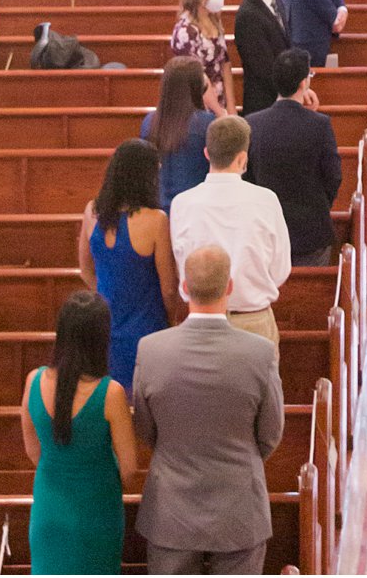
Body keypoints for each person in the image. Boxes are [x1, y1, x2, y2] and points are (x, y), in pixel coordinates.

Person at [132, 242, 285, 577]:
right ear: (229, 287)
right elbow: (271, 433)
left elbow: (145, 428)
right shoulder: (259, 353)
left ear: (185, 289)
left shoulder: (151, 350)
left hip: (171, 509)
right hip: (238, 505)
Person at [20, 288, 137, 575]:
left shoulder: (33, 380)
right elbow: (130, 468)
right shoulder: (110, 393)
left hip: (49, 508)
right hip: (96, 512)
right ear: (101, 338)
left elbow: (33, 449)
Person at [171, 113, 291, 345]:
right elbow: (280, 269)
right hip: (252, 321)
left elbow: (182, 265)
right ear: (243, 158)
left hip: (200, 321)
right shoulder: (265, 200)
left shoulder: (182, 203)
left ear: (207, 153)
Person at [79, 138, 177, 395]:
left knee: (111, 406)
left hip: (104, 326)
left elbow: (85, 269)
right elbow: (168, 288)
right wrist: (171, 319)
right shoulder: (156, 220)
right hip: (147, 328)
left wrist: (106, 293)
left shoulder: (92, 211)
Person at [246, 47, 343, 266]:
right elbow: (334, 176)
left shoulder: (252, 124)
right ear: (303, 83)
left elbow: (248, 178)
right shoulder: (320, 125)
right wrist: (319, 205)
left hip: (266, 232)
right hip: (310, 234)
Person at [141, 59, 215, 212]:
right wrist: (218, 109)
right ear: (197, 87)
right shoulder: (206, 123)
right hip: (194, 211)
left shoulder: (149, 122)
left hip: (156, 208)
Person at [234, 0, 290, 117]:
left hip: (280, 100)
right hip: (263, 106)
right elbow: (263, 69)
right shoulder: (248, 15)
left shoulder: (275, 0)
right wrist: (293, 90)